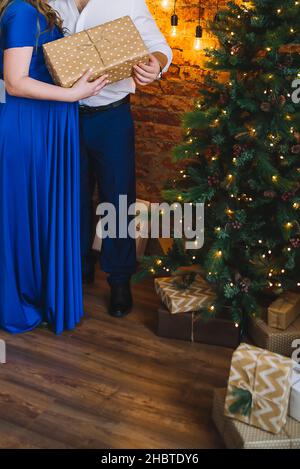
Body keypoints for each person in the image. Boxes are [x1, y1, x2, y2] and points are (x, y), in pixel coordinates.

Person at [50, 0, 173, 318]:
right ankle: (78, 268)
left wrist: (154, 65)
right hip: (63, 117)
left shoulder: (127, 0)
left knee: (118, 200)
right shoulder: (47, 1)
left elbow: (160, 48)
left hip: (112, 117)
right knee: (71, 197)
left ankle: (119, 280)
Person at [0, 0, 107, 334]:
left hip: (42, 126)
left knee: (38, 214)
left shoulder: (38, 9)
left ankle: (36, 293)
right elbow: (14, 81)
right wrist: (74, 94)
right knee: (26, 216)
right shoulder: (22, 10)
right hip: (27, 127)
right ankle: (20, 298)